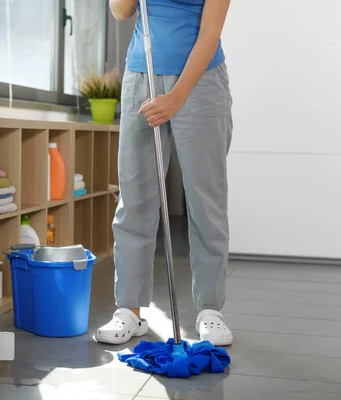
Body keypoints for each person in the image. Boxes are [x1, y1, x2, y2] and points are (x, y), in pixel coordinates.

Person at [95, 0, 233, 346]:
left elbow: (209, 34)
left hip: (199, 82)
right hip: (142, 76)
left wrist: (177, 97)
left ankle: (210, 310)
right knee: (136, 198)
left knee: (205, 201)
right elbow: (121, 11)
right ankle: (130, 309)